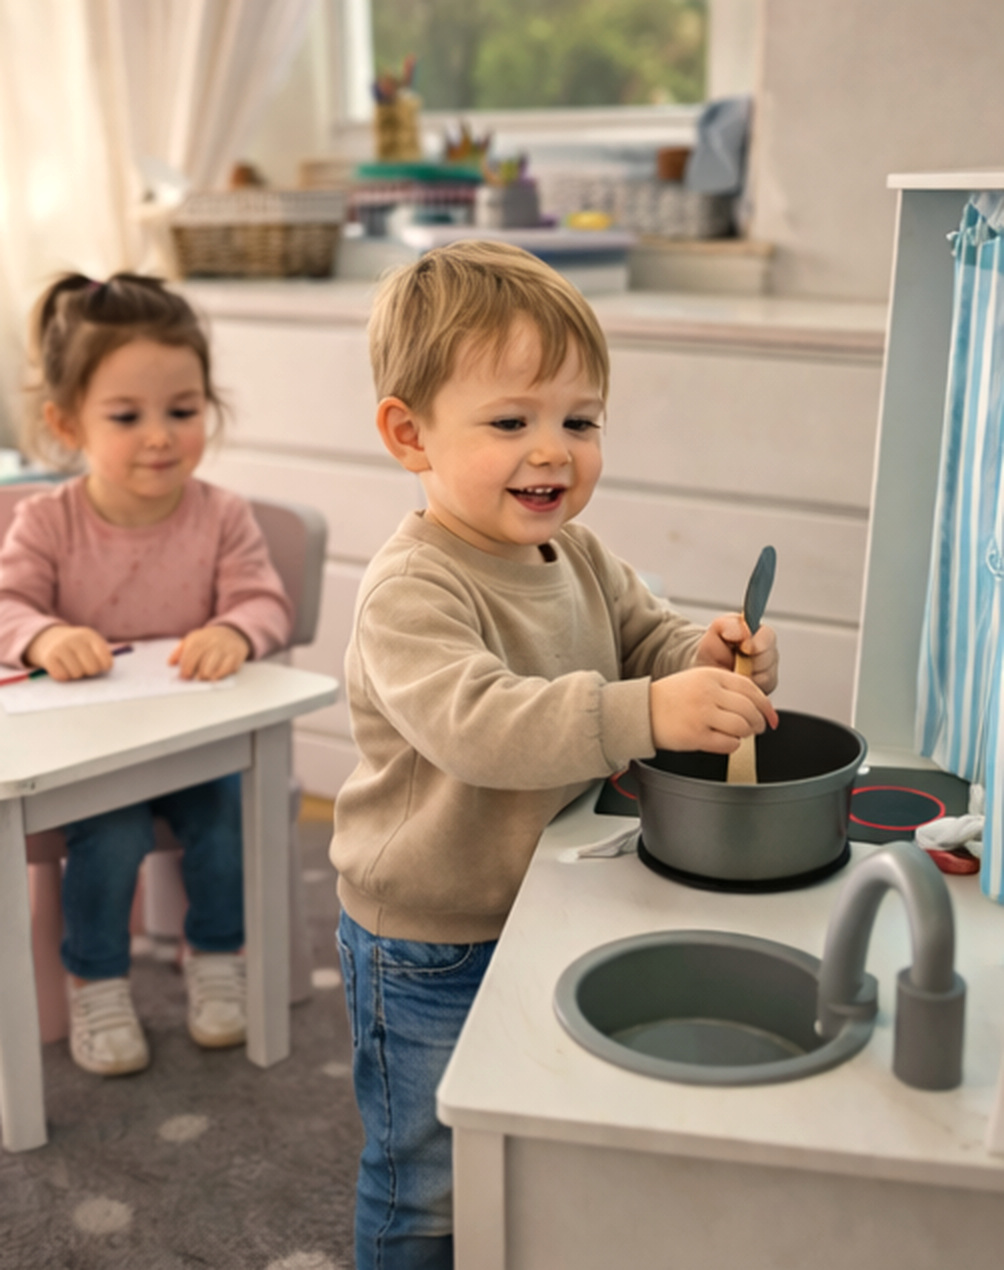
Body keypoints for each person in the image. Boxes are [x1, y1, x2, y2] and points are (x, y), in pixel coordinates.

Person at [331, 239, 780, 1270]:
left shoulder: (574, 551)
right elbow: (484, 726)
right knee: (426, 1178)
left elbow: (646, 638)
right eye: (510, 422)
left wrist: (702, 656)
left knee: (533, 1133)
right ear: (409, 434)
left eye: (578, 421)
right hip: (428, 936)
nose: (553, 451)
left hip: (553, 903)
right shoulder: (412, 587)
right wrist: (648, 713)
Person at [0, 272, 293, 1076]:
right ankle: (96, 979)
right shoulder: (47, 520)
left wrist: (236, 630)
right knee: (113, 837)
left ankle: (216, 958)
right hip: (89, 753)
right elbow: (6, 606)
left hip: (193, 740)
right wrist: (43, 636)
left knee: (222, 828)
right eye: (127, 417)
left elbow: (263, 601)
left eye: (183, 411)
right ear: (67, 424)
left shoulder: (221, 515)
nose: (160, 436)